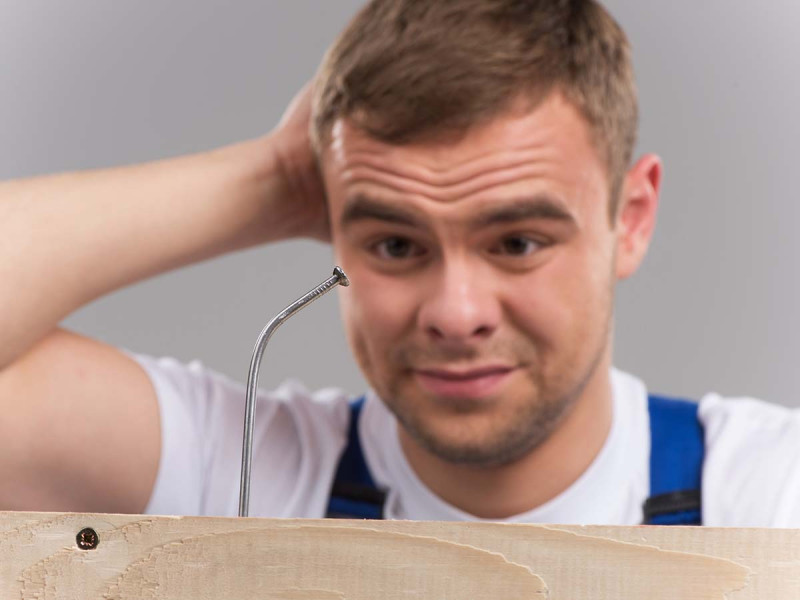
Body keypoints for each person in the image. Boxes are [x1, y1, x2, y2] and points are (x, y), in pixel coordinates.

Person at [2, 0, 799, 527]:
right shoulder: (238, 476)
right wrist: (274, 178)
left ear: (630, 220)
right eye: (395, 243)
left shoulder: (767, 494)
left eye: (517, 242)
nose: (456, 312)